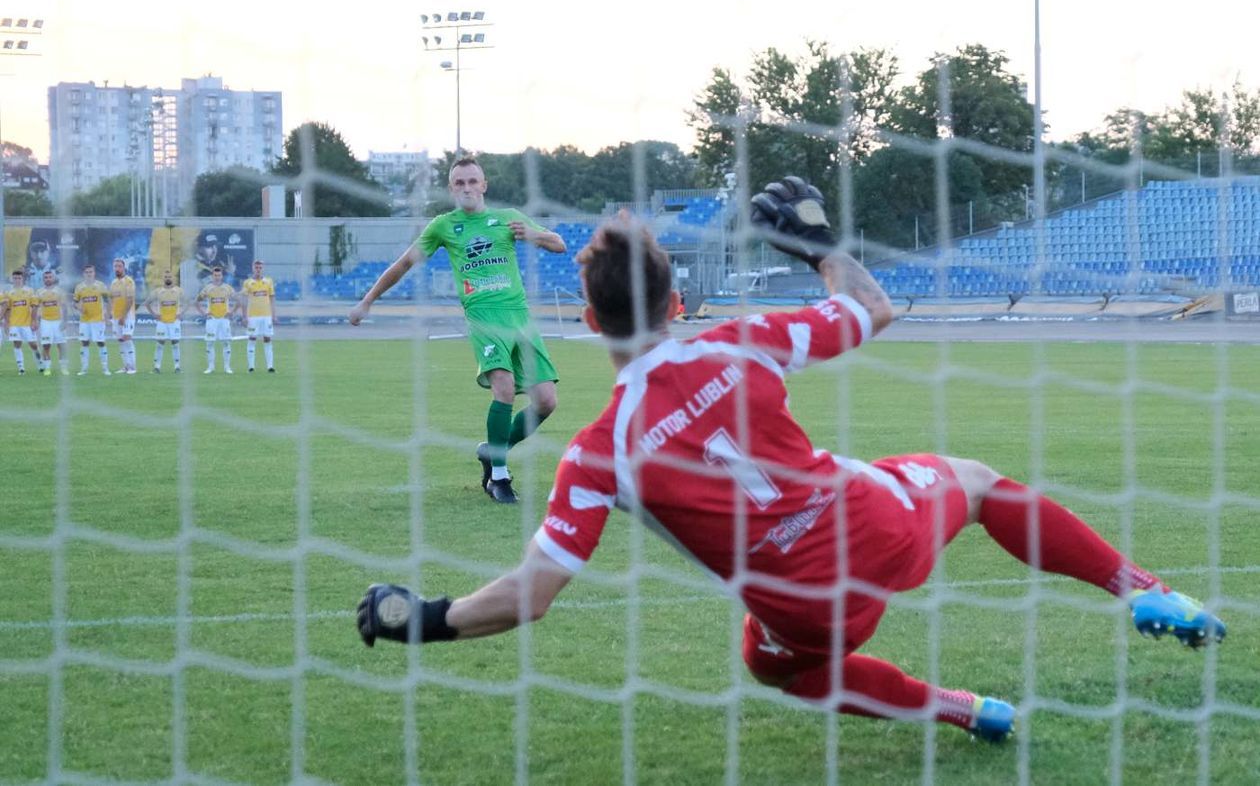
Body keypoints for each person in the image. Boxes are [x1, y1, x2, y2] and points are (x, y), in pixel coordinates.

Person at [355, 177, 1226, 742]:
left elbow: (528, 599)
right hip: (883, 528)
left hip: (810, 611)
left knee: (774, 667)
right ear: (681, 300)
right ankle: (1148, 592)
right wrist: (815, 247)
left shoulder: (597, 454)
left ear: (588, 324)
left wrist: (423, 618)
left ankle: (966, 711)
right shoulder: (740, 342)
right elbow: (875, 308)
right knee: (982, 484)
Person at [349, 156, 568, 504]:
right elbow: (405, 263)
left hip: (519, 317)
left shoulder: (509, 218)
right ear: (452, 189)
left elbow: (559, 244)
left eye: (472, 181)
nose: (466, 188)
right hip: (482, 316)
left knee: (546, 401)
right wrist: (368, 300)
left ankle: (493, 451)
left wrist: (534, 235)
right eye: (459, 183)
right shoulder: (443, 225)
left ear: (484, 185)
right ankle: (499, 477)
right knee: (505, 388)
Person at [196, 265, 235, 374]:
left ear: (222, 276)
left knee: (226, 342)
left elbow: (238, 300)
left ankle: (227, 367)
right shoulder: (208, 288)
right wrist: (204, 313)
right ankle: (210, 367)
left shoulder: (227, 288)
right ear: (212, 276)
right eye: (215, 275)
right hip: (211, 319)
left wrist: (231, 312)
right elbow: (197, 301)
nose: (217, 277)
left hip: (224, 319)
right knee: (209, 343)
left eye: (219, 275)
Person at [240, 259, 277, 373]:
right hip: (253, 316)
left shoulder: (269, 281)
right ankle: (251, 367)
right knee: (252, 338)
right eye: (256, 267)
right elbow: (244, 300)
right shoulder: (248, 283)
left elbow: (272, 298)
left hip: (266, 315)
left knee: (267, 338)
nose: (258, 270)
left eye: (260, 267)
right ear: (253, 268)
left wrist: (274, 315)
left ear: (263, 268)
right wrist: (244, 316)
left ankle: (270, 366)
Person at [73, 264, 111, 376]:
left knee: (100, 342)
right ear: (83, 274)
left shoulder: (101, 286)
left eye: (91, 272)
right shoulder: (79, 287)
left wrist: (108, 317)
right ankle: (84, 369)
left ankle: (105, 368)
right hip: (85, 320)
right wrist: (79, 307)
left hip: (98, 319)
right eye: (87, 272)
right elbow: (75, 302)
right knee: (84, 342)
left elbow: (108, 301)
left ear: (94, 273)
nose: (89, 274)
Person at [145, 269, 185, 374]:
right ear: (163, 278)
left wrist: (181, 313)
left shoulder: (178, 291)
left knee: (175, 343)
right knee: (160, 344)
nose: (168, 278)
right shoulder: (158, 291)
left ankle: (177, 367)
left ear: (173, 278)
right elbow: (147, 303)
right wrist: (154, 314)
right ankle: (157, 367)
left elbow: (189, 302)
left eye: (170, 277)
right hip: (162, 322)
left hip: (174, 321)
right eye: (166, 277)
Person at [3, 269, 41, 375]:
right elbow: (6, 309)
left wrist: (34, 321)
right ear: (12, 279)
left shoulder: (30, 291)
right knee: (17, 344)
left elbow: (34, 307)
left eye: (19, 278)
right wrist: (7, 323)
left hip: (27, 323)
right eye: (15, 278)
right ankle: (21, 368)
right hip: (14, 324)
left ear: (22, 279)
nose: (17, 280)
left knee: (33, 345)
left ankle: (40, 363)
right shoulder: (8, 293)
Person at [35, 270, 71, 376]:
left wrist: (65, 321)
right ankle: (47, 368)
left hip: (58, 321)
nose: (48, 279)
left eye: (50, 277)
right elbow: (36, 307)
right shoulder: (39, 292)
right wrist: (36, 321)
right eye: (46, 277)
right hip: (45, 322)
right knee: (46, 345)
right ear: (43, 279)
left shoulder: (60, 291)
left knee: (61, 345)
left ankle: (64, 368)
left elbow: (64, 307)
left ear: (53, 278)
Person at [109, 257, 138, 376]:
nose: (117, 269)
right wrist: (111, 315)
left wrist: (123, 316)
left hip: (127, 316)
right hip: (116, 316)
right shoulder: (113, 283)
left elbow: (130, 300)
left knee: (127, 338)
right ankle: (126, 366)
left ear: (124, 267)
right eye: (115, 266)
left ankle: (133, 367)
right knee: (120, 340)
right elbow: (112, 300)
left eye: (119, 266)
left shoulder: (129, 281)